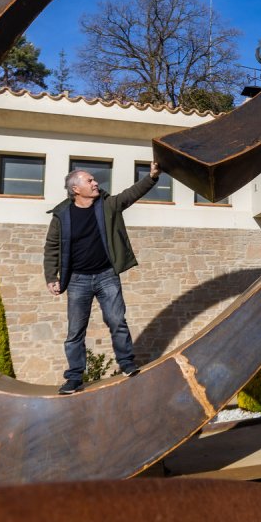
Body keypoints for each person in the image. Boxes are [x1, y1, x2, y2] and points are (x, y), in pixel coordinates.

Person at [44, 162, 160, 394]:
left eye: (94, 180)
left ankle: (127, 364)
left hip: (107, 276)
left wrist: (152, 177)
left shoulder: (108, 205)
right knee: (75, 331)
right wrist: (51, 276)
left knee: (117, 321)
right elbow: (52, 246)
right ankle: (74, 378)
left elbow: (131, 194)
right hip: (77, 280)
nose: (96, 183)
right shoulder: (62, 215)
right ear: (76, 189)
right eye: (90, 180)